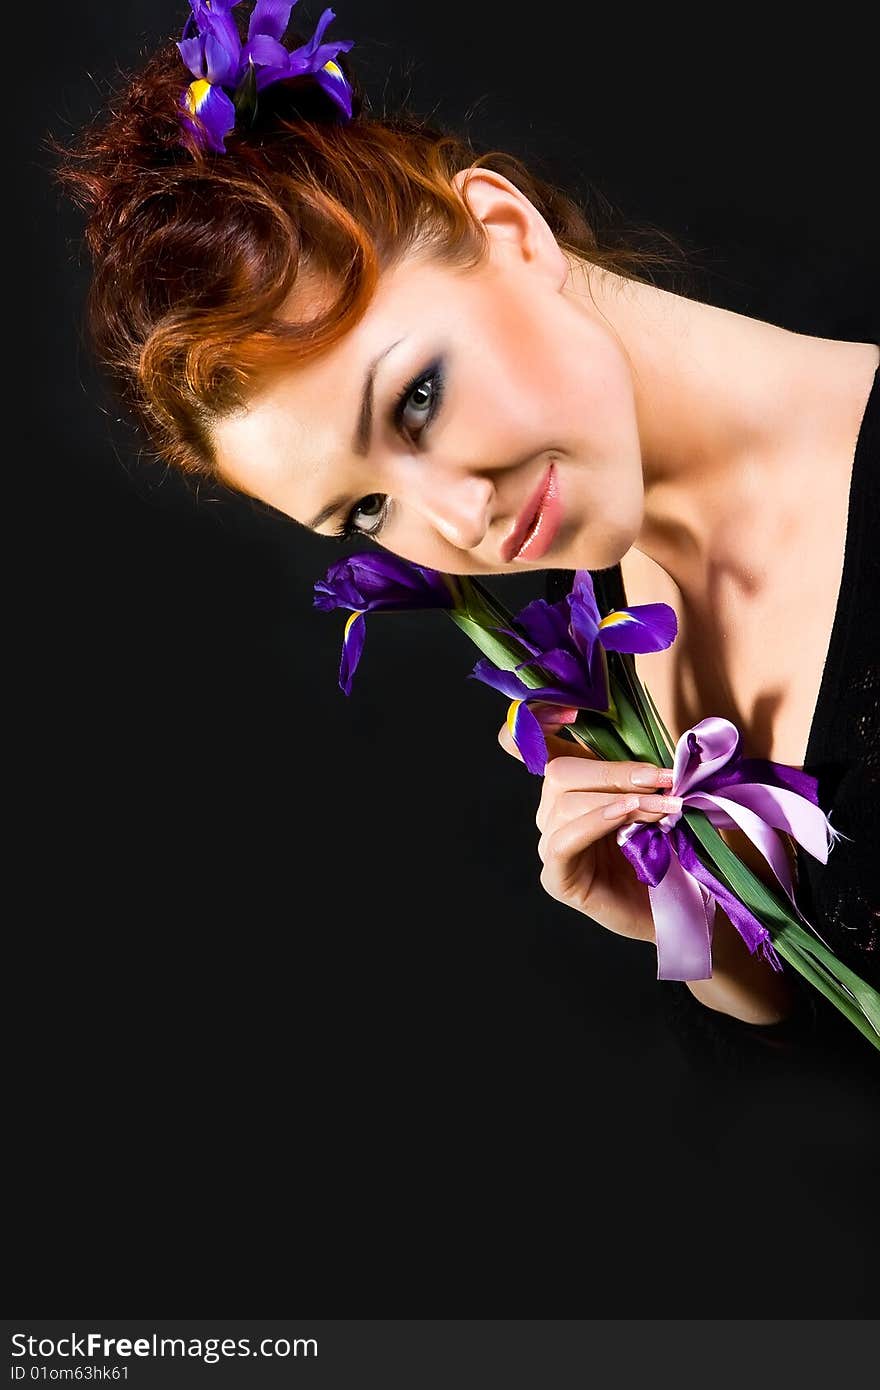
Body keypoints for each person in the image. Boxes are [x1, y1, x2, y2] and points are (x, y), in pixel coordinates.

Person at [55, 1, 878, 1072]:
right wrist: (700, 938)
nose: (454, 520)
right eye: (362, 512)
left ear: (506, 230)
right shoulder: (623, 705)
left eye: (417, 399)